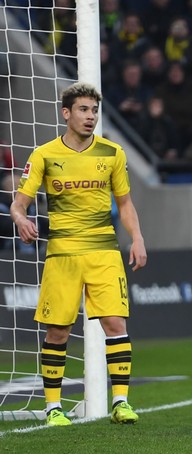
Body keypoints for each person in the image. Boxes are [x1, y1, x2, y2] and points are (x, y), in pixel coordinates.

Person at [10, 82, 148, 427]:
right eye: (84, 110)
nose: (91, 117)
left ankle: (120, 403)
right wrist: (20, 218)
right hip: (63, 253)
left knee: (115, 323)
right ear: (66, 113)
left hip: (104, 252)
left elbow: (125, 203)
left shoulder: (112, 153)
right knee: (58, 330)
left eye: (94, 110)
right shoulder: (44, 155)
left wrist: (138, 237)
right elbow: (19, 202)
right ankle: (53, 408)